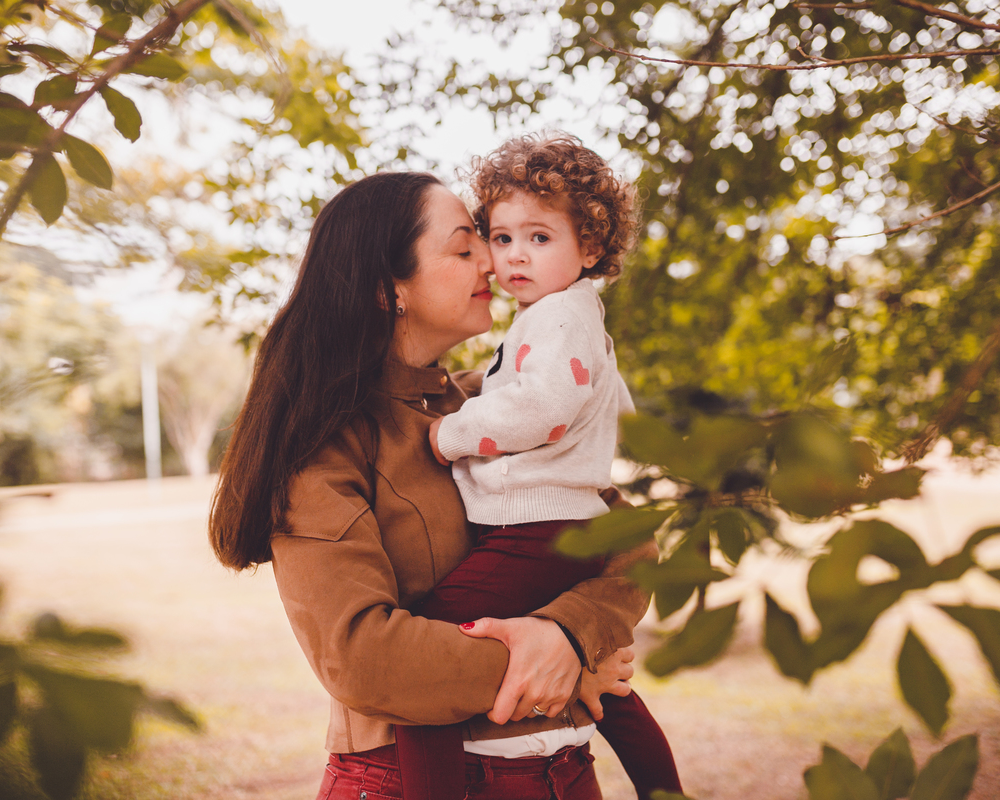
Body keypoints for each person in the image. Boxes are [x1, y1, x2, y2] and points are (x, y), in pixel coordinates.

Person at [208, 170, 657, 799]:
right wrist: (557, 661)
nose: (494, 262)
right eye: (467, 247)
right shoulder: (326, 445)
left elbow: (629, 542)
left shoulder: (489, 409)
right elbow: (362, 659)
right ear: (389, 289)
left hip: (567, 777)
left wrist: (572, 631)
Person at [402, 134, 680, 800]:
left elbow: (544, 409)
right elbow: (610, 409)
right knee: (603, 684)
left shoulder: (559, 317)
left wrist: (450, 435)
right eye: (501, 239)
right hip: (559, 525)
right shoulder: (565, 318)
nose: (515, 255)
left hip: (537, 529)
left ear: (591, 248)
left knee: (423, 661)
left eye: (539, 237)